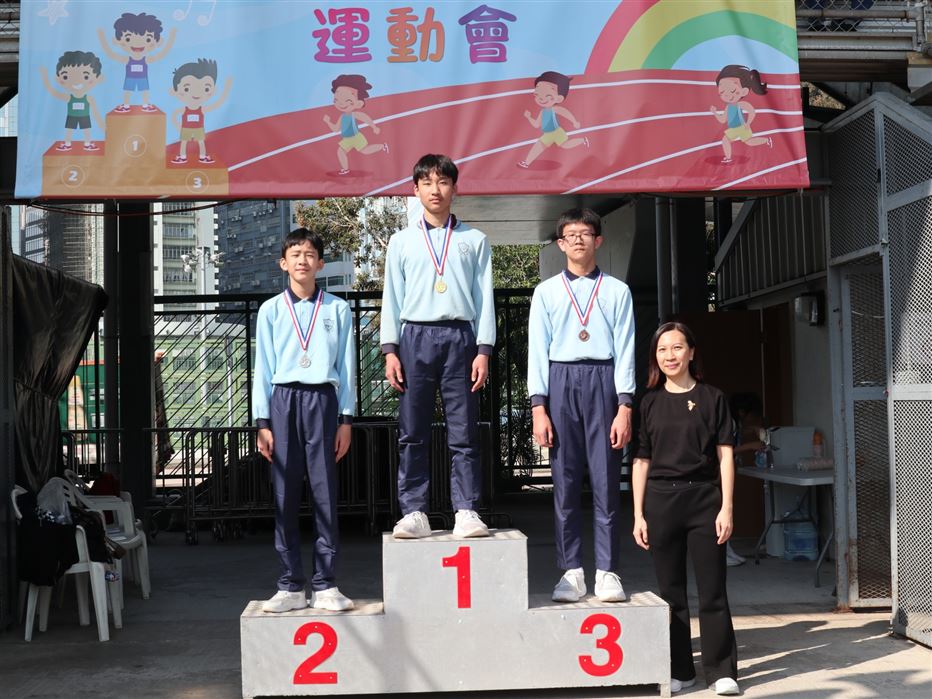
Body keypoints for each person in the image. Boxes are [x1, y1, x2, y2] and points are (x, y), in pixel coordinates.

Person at [380, 153, 495, 539]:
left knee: (463, 430)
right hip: (414, 337)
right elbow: (391, 297)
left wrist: (483, 349)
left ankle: (466, 509)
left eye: (443, 182)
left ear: (454, 188)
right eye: (427, 183)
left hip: (461, 336)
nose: (435, 190)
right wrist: (390, 350)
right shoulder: (401, 241)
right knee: (413, 430)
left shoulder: (475, 240)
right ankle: (414, 511)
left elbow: (484, 298)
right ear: (415, 190)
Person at [527, 207, 634, 603]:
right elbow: (537, 350)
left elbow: (626, 348)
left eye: (585, 233)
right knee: (565, 482)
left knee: (606, 481)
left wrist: (625, 405)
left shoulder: (617, 291)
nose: (577, 239)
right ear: (560, 243)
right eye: (569, 234)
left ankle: (607, 571)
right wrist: (539, 406)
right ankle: (571, 571)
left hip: (604, 379)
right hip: (560, 380)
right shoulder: (546, 292)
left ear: (598, 240)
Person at [632, 322, 740, 696]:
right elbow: (641, 461)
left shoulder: (713, 398)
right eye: (662, 350)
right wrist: (638, 514)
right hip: (661, 502)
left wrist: (727, 508)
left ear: (691, 352)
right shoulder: (648, 402)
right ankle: (680, 669)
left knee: (713, 591)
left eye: (677, 348)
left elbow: (726, 456)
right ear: (655, 357)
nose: (670, 356)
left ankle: (722, 671)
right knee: (671, 593)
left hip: (704, 500)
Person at [252, 228, 356, 613]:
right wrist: (262, 421)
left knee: (325, 492)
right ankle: (290, 585)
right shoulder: (270, 310)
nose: (302, 260)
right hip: (283, 400)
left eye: (310, 254)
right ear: (283, 263)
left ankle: (326, 583)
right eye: (295, 254)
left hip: (323, 400)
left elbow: (346, 367)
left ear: (321, 264)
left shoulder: (337, 309)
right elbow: (262, 367)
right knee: (285, 494)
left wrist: (346, 418)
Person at [97, 12, 176, 112]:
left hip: (142, 78)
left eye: (148, 39)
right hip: (130, 78)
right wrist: (102, 38)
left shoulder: (145, 60)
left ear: (157, 41)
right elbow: (111, 53)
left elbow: (162, 54)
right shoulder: (127, 60)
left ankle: (145, 105)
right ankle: (126, 105)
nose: (138, 43)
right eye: (128, 38)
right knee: (128, 91)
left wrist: (171, 38)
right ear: (117, 40)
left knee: (144, 91)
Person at [518, 71, 589, 169]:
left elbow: (565, 113)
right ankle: (526, 163)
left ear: (559, 98)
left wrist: (574, 121)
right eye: (537, 95)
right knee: (540, 146)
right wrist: (529, 117)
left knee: (565, 145)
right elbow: (536, 125)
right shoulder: (542, 112)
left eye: (548, 96)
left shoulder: (554, 109)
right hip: (548, 134)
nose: (541, 99)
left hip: (557, 132)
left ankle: (582, 140)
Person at [168, 59, 233, 164]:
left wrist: (226, 89)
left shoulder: (201, 109)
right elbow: (174, 116)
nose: (196, 93)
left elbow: (217, 103)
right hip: (186, 129)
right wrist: (179, 127)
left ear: (213, 90)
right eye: (187, 89)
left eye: (206, 89)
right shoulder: (184, 109)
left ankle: (202, 157)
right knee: (184, 142)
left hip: (198, 129)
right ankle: (183, 157)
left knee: (201, 142)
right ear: (174, 91)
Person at [322, 74, 389, 175]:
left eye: (347, 101)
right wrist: (328, 122)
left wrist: (374, 127)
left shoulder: (354, 114)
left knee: (365, 150)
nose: (341, 103)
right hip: (347, 139)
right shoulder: (342, 117)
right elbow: (335, 129)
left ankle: (382, 146)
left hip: (356, 137)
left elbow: (365, 117)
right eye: (337, 100)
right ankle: (345, 169)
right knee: (341, 151)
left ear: (359, 103)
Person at [39, 51, 105, 152]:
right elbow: (53, 92)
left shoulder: (88, 98)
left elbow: (95, 113)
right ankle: (67, 144)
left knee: (86, 130)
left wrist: (101, 124)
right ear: (58, 78)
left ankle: (87, 144)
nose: (77, 81)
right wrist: (45, 78)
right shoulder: (69, 97)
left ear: (98, 78)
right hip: (72, 116)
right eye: (66, 77)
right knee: (69, 130)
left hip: (84, 116)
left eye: (86, 77)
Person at [709, 65, 773, 164]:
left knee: (745, 141)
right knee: (740, 141)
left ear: (744, 91)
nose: (727, 95)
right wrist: (714, 112)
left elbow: (752, 111)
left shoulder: (741, 104)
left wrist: (748, 123)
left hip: (742, 127)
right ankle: (765, 140)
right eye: (722, 92)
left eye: (732, 91)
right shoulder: (728, 107)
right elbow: (722, 119)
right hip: (734, 129)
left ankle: (766, 140)